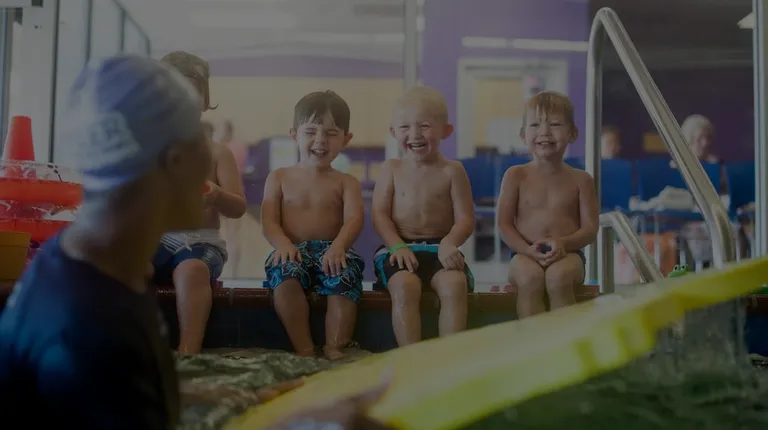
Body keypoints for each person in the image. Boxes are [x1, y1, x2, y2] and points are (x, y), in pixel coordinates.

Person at [0, 55, 393, 430]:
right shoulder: (85, 329)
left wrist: (227, 396)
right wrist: (300, 424)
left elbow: (118, 390)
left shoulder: (89, 268)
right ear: (174, 161)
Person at [151, 51, 247, 354]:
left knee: (192, 270)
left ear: (205, 102)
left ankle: (188, 350)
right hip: (155, 240)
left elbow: (239, 207)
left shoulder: (218, 153)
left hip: (200, 244)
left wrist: (217, 195)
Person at [261, 90, 366, 359]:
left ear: (346, 139)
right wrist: (282, 244)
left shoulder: (346, 182)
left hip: (333, 251)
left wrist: (339, 247)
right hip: (292, 250)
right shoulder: (279, 177)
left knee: (344, 277)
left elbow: (354, 219)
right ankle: (305, 348)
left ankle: (334, 345)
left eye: (331, 133)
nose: (320, 140)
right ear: (294, 135)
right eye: (310, 132)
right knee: (284, 278)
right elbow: (269, 220)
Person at [371, 86, 475, 347]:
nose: (414, 134)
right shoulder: (391, 169)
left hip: (440, 248)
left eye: (424, 126)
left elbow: (465, 219)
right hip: (399, 248)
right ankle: (411, 356)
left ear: (446, 131)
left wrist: (450, 243)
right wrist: (397, 245)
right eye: (405, 127)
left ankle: (449, 355)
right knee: (405, 286)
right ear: (393, 132)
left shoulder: (453, 171)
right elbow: (380, 215)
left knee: (455, 285)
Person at [497, 91, 599, 318]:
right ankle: (533, 339)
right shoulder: (515, 176)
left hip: (568, 254)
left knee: (558, 277)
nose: (544, 132)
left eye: (555, 124)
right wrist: (526, 250)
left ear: (572, 133)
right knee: (529, 277)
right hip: (523, 253)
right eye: (535, 125)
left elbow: (590, 229)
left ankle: (565, 339)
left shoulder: (581, 180)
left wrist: (563, 243)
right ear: (523, 135)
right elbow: (504, 224)